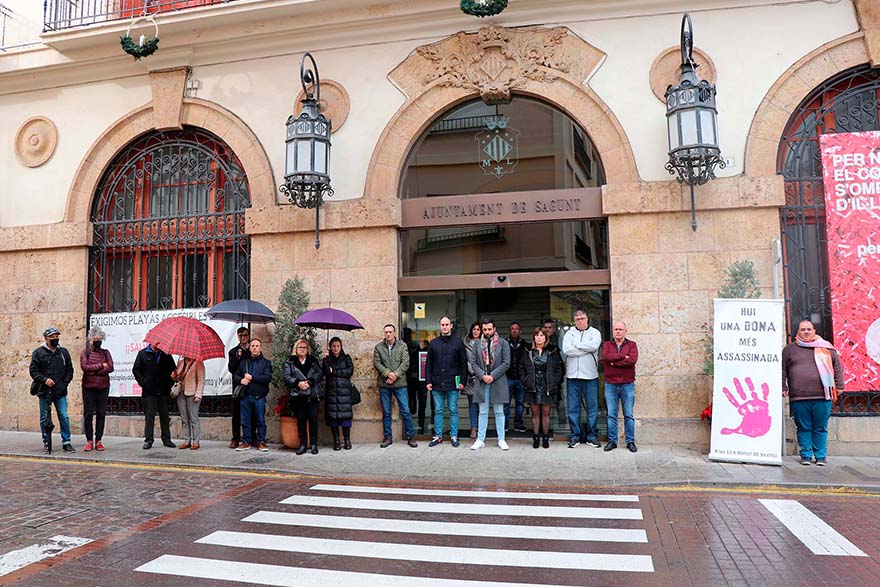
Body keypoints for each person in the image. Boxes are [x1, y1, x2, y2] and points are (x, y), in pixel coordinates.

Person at [782, 320, 844, 466]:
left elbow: (837, 368)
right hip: (799, 397)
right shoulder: (790, 349)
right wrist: (782, 386)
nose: (806, 332)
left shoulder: (826, 348)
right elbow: (782, 369)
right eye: (803, 329)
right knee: (803, 427)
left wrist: (839, 386)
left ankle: (821, 456)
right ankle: (806, 455)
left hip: (822, 396)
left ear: (814, 331)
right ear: (798, 332)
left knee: (820, 427)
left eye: (809, 329)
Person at [30, 327, 75, 453]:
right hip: (44, 391)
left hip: (60, 391)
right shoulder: (38, 353)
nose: (55, 338)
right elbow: (33, 371)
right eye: (52, 337)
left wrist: (64, 383)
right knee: (45, 417)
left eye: (56, 336)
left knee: (64, 416)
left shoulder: (63, 352)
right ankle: (46, 440)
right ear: (46, 338)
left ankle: (66, 442)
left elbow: (70, 370)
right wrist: (45, 380)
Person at [562, 309, 602, 448]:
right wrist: (585, 349)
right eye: (578, 319)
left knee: (592, 408)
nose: (580, 321)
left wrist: (577, 346)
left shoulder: (595, 333)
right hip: (572, 376)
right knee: (573, 408)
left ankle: (592, 436)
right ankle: (575, 437)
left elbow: (594, 346)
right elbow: (567, 350)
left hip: (591, 376)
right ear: (574, 321)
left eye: (582, 318)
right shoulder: (569, 333)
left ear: (587, 319)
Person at [425, 316, 468, 448]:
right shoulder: (434, 343)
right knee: (438, 410)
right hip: (437, 382)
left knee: (453, 410)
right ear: (440, 326)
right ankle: (438, 436)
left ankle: (454, 436)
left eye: (446, 324)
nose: (444, 327)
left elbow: (463, 364)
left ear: (451, 326)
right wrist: (428, 381)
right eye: (442, 324)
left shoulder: (458, 342)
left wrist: (463, 381)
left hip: (453, 383)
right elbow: (428, 364)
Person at [469, 318, 511, 451]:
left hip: (497, 380)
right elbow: (473, 363)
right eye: (485, 329)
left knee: (499, 411)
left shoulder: (503, 343)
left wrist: (492, 376)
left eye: (489, 329)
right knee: (482, 412)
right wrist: (482, 376)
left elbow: (506, 363)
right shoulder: (476, 344)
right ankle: (480, 439)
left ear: (494, 329)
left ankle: (501, 439)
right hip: (482, 381)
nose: (487, 332)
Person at [373, 324, 418, 448]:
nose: (388, 334)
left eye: (390, 332)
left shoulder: (402, 345)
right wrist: (388, 374)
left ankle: (411, 437)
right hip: (384, 384)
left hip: (400, 384)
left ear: (394, 333)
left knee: (405, 410)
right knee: (387, 412)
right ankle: (387, 437)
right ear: (384, 333)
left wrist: (395, 375)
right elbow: (377, 363)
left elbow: (406, 362)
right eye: (386, 332)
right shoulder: (378, 347)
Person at [519, 327, 564, 449]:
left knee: (546, 413)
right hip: (532, 385)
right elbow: (521, 367)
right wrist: (526, 380)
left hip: (547, 385)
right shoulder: (527, 350)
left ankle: (545, 437)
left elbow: (559, 368)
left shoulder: (552, 350)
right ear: (534, 337)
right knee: (535, 413)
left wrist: (555, 382)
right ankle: (535, 437)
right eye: (537, 335)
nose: (539, 337)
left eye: (542, 335)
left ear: (546, 337)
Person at [601, 321, 639, 453]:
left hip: (627, 384)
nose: (618, 331)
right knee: (612, 415)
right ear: (613, 331)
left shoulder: (632, 345)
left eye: (620, 329)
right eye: (616, 329)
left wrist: (614, 362)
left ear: (625, 331)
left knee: (628, 414)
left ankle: (630, 441)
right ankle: (612, 441)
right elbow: (605, 357)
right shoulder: (606, 345)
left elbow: (632, 360)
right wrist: (623, 356)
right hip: (611, 384)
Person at [133, 341, 177, 450]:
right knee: (149, 416)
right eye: (156, 342)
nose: (158, 344)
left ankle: (166, 439)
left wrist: (171, 378)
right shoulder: (142, 354)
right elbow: (136, 370)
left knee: (165, 416)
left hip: (163, 391)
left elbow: (172, 369)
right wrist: (143, 382)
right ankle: (149, 440)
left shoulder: (166, 354)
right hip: (149, 391)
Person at [233, 338, 273, 452]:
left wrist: (252, 378)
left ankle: (261, 442)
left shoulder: (266, 363)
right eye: (252, 346)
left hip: (259, 397)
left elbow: (267, 378)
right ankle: (246, 441)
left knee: (260, 420)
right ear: (250, 348)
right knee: (245, 420)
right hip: (245, 397)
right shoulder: (244, 362)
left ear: (260, 348)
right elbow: (235, 375)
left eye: (257, 346)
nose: (255, 348)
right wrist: (241, 380)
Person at [284, 339, 322, 455]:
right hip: (298, 396)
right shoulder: (289, 362)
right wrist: (298, 383)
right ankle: (303, 444)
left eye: (304, 348)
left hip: (312, 395)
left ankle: (314, 444)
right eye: (300, 347)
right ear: (295, 349)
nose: (302, 349)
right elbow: (287, 376)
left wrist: (310, 382)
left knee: (313, 420)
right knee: (301, 421)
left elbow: (319, 373)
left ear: (308, 350)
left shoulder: (313, 361)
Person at [80, 326, 114, 452]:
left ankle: (99, 440)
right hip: (89, 387)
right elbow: (85, 367)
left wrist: (94, 371)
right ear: (90, 340)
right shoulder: (85, 353)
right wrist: (100, 366)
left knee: (101, 414)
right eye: (95, 339)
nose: (97, 341)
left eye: (99, 339)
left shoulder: (106, 353)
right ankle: (89, 440)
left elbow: (110, 367)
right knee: (88, 414)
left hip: (103, 387)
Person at [322, 337, 355, 451]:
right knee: (333, 418)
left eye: (338, 346)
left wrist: (334, 372)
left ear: (341, 347)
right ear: (330, 347)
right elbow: (326, 372)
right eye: (333, 346)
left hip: (344, 393)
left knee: (346, 417)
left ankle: (347, 440)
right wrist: (325, 359)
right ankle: (336, 440)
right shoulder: (328, 359)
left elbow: (349, 372)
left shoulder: (346, 358)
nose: (336, 348)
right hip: (331, 392)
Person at [227, 326, 252, 449]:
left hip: (250, 384)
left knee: (251, 412)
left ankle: (251, 437)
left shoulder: (252, 350)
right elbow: (231, 369)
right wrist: (238, 357)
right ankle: (235, 438)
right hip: (238, 385)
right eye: (240, 335)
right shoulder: (233, 352)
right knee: (236, 413)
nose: (243, 338)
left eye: (245, 335)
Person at [174, 357, 205, 450]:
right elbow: (178, 378)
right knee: (184, 418)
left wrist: (198, 394)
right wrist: (174, 376)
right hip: (181, 393)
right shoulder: (180, 362)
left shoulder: (198, 362)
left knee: (193, 418)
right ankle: (187, 441)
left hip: (192, 393)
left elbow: (201, 379)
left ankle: (196, 442)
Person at [505, 321, 530, 433]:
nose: (514, 330)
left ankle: (518, 425)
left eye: (516, 329)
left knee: (520, 403)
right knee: (506, 403)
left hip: (521, 379)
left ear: (520, 331)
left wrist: (525, 377)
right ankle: (504, 425)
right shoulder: (504, 343)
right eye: (512, 329)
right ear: (510, 331)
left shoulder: (525, 344)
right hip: (508, 378)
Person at [403, 327, 428, 435]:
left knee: (412, 401)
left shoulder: (406, 345)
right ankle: (420, 424)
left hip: (412, 377)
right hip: (418, 377)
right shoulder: (414, 345)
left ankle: (415, 423)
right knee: (421, 402)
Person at [462, 321, 482, 439]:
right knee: (472, 405)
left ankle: (481, 428)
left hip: (482, 378)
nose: (475, 331)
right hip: (470, 378)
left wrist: (480, 372)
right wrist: (473, 370)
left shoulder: (485, 343)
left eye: (478, 329)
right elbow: (465, 360)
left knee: (482, 406)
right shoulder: (465, 344)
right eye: (474, 329)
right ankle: (473, 428)